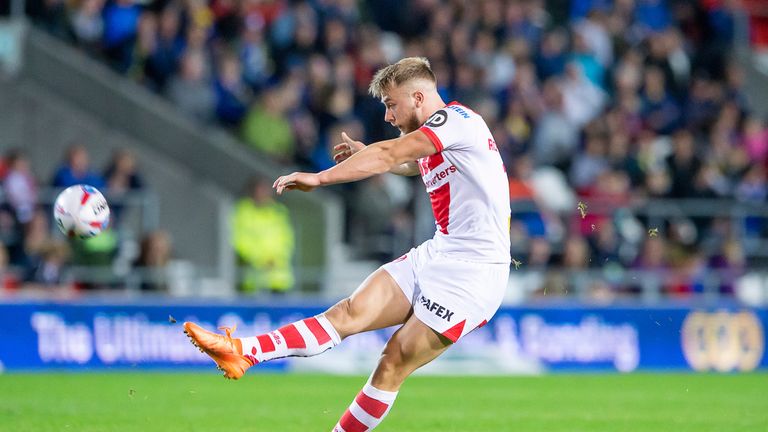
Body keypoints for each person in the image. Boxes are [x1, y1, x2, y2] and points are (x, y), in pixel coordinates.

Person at [183, 57, 511, 431]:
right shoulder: (439, 134)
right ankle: (242, 352)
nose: (388, 116)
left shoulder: (456, 121)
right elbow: (404, 162)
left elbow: (392, 153)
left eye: (391, 104)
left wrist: (320, 178)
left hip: (474, 273)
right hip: (439, 252)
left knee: (393, 361)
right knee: (348, 312)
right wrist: (367, 155)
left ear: (418, 97)